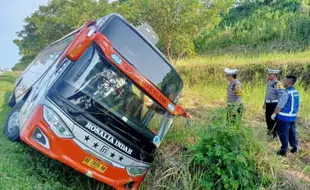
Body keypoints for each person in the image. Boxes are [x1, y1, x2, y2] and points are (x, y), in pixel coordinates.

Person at [272, 75, 300, 156]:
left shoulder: (286, 93)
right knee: (292, 133)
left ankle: (283, 150)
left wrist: (274, 114)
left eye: (285, 81)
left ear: (288, 82)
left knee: (283, 134)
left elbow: (280, 105)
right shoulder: (296, 92)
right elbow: (297, 105)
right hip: (293, 117)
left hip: (284, 118)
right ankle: (295, 148)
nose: (283, 82)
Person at [263, 69, 284, 138]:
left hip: (274, 104)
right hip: (268, 104)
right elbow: (267, 94)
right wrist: (265, 103)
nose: (268, 76)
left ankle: (274, 136)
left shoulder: (278, 84)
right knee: (268, 119)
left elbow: (281, 96)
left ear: (274, 75)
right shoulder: (269, 83)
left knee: (274, 120)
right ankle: (269, 134)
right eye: (268, 74)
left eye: (270, 74)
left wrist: (279, 107)